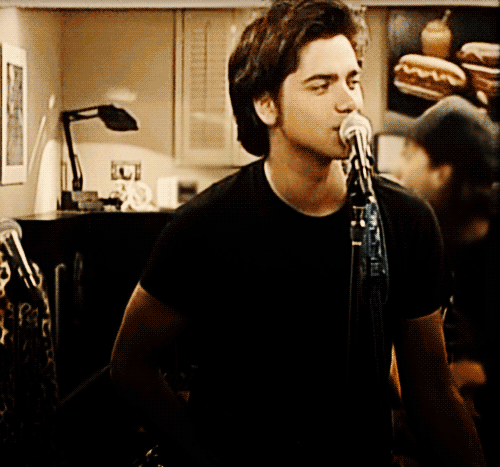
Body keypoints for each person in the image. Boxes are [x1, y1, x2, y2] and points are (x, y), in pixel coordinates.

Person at [110, 1, 486, 466]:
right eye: (321, 85)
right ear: (266, 104)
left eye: (352, 80)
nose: (349, 102)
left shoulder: (407, 221)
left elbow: (431, 390)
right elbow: (130, 366)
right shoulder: (204, 225)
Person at [400, 95, 499, 464]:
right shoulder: (421, 242)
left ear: (442, 173)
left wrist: (483, 372)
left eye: (409, 155)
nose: (399, 172)